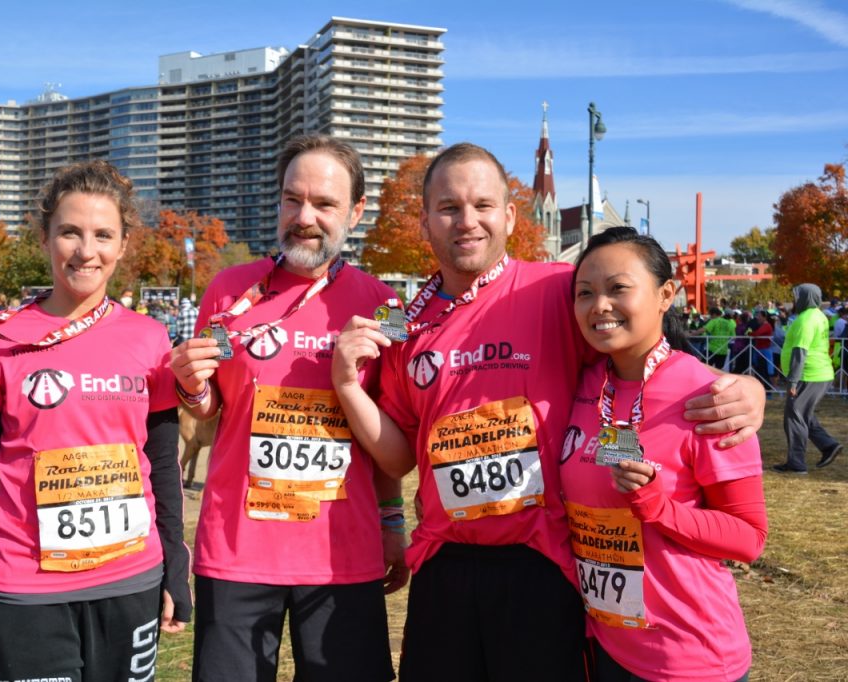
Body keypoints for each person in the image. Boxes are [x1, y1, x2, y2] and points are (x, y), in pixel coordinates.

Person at [331, 143, 765, 681]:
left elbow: (639, 344)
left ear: (511, 216)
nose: (467, 221)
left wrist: (745, 387)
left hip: (545, 565)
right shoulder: (403, 324)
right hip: (444, 564)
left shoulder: (561, 290)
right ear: (424, 221)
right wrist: (349, 386)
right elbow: (397, 460)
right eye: (448, 208)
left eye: (483, 205)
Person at [0, 159, 191, 680]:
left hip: (131, 581)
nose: (87, 251)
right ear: (44, 239)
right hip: (27, 587)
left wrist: (175, 565)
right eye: (70, 232)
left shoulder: (150, 338)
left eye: (103, 234)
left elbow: (161, 463)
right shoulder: (0, 335)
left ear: (123, 245)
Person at [169, 134, 405, 682]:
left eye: (324, 203)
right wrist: (190, 386)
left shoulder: (383, 304)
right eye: (292, 199)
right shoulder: (229, 291)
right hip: (238, 550)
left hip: (341, 556)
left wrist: (392, 520)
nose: (305, 217)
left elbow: (387, 428)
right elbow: (208, 406)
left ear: (356, 211)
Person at [561, 226, 766, 681]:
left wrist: (658, 507)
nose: (600, 306)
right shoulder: (584, 383)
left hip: (688, 655)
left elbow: (749, 537)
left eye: (618, 289)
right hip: (607, 645)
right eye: (585, 293)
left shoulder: (710, 399)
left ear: (666, 294)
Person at [773, 283, 843, 473]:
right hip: (817, 373)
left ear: (806, 297)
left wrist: (793, 381)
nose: (795, 300)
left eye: (797, 296)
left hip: (808, 374)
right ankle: (828, 445)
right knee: (802, 414)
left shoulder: (806, 320)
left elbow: (800, 352)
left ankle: (796, 463)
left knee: (794, 416)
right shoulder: (818, 316)